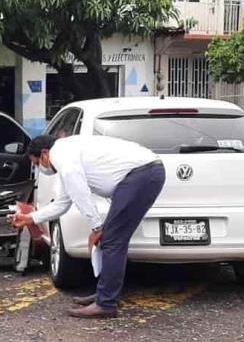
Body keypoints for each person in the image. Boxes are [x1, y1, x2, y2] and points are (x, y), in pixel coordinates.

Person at [9, 134, 166, 319]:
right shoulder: (67, 153)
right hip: (143, 173)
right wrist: (30, 218)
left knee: (112, 240)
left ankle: (106, 303)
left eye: (36, 163)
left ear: (44, 153)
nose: (39, 168)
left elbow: (81, 194)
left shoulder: (61, 156)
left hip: (142, 175)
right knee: (112, 239)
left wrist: (97, 227)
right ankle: (104, 294)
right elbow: (63, 203)